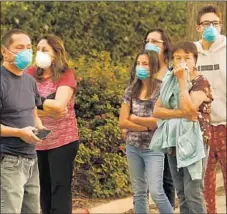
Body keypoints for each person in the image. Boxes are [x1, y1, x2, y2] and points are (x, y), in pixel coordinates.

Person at [151, 41, 213, 214]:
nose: (182, 62)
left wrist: (182, 83)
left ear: (195, 60)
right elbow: (157, 111)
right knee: (182, 192)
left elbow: (191, 109)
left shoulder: (201, 82)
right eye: (178, 58)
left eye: (187, 58)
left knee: (193, 191)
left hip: (196, 140)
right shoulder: (169, 81)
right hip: (173, 139)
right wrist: (180, 113)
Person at [27, 34, 80, 214]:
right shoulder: (31, 73)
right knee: (43, 188)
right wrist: (43, 105)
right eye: (38, 49)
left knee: (60, 187)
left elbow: (60, 107)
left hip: (63, 141)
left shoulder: (66, 74)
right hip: (38, 141)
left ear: (56, 54)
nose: (39, 53)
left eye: (45, 50)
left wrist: (33, 103)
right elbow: (21, 105)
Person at [123, 29, 175, 208]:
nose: (150, 44)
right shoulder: (133, 84)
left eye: (155, 41)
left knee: (161, 186)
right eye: (148, 40)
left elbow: (157, 120)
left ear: (164, 45)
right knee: (139, 191)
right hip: (135, 144)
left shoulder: (169, 74)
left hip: (162, 140)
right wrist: (138, 125)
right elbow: (123, 118)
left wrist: (134, 119)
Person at [0, 29, 44, 214]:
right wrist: (19, 132)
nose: (26, 52)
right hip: (8, 161)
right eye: (19, 47)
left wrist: (39, 128)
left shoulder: (30, 81)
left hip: (31, 159)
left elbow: (33, 114)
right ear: (4, 51)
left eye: (28, 47)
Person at [194, 5, 226, 214]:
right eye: (206, 24)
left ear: (221, 25)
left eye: (215, 23)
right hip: (200, 130)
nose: (211, 27)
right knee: (204, 187)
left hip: (225, 125)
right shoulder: (190, 52)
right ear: (198, 27)